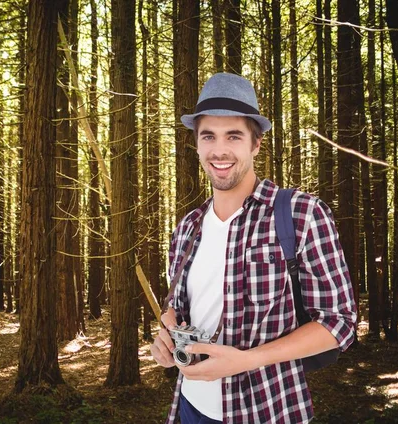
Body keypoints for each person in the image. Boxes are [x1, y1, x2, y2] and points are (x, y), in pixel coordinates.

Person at [150, 73, 357, 424]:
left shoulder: (300, 214)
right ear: (197, 145)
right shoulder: (186, 229)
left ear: (256, 143)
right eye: (208, 136)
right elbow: (180, 313)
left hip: (266, 410)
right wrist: (167, 341)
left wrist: (246, 360)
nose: (219, 150)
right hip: (189, 408)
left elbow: (340, 323)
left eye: (234, 136)